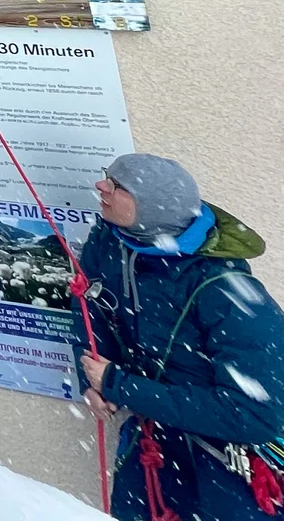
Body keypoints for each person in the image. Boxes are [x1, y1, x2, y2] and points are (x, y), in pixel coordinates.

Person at [74, 153, 284, 520]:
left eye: (118, 186)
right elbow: (89, 301)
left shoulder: (228, 293)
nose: (102, 186)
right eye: (108, 176)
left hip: (225, 472)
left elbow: (256, 414)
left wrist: (119, 385)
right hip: (152, 450)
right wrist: (91, 378)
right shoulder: (113, 242)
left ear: (151, 206)